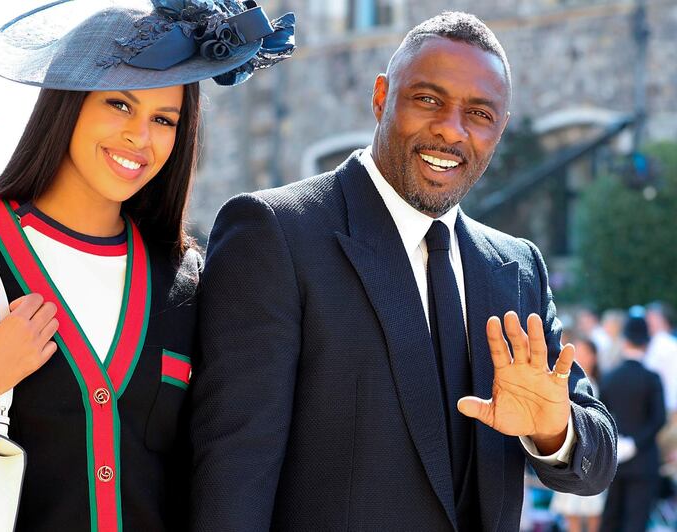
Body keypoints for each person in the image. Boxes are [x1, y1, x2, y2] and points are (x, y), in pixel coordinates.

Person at [191, 11, 616, 531]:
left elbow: (595, 463)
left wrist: (553, 429)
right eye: (428, 100)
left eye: (479, 113)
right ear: (380, 98)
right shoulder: (277, 233)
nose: (450, 130)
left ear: (499, 129)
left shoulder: (516, 268)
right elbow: (232, 478)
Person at [0, 1, 294, 530]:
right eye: (119, 105)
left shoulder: (186, 281)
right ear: (69, 103)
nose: (140, 138)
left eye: (164, 119)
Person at [600, 308, 666, 532]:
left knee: (611, 520)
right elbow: (659, 419)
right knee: (636, 523)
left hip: (615, 461)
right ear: (646, 343)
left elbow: (602, 417)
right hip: (644, 459)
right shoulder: (652, 379)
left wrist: (620, 442)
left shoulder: (610, 377)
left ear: (625, 340)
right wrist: (636, 443)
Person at [549, 337, 606, 532]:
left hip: (591, 453)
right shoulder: (566, 381)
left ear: (594, 357)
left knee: (592, 512)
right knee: (570, 511)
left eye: (584, 352)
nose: (580, 357)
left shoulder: (598, 384)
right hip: (570, 450)